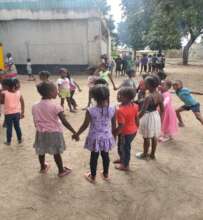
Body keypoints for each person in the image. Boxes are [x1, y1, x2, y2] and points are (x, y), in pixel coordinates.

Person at [32, 82, 77, 177]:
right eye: (55, 90)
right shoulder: (56, 106)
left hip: (41, 132)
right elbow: (64, 121)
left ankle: (43, 167)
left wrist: (39, 128)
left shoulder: (35, 105)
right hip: (54, 133)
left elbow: (35, 120)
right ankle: (61, 171)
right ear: (50, 93)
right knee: (56, 152)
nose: (58, 91)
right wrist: (74, 132)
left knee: (41, 150)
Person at [73, 85, 116, 183]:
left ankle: (92, 177)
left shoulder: (91, 110)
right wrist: (114, 136)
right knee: (106, 156)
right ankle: (105, 174)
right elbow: (114, 125)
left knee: (94, 157)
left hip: (95, 138)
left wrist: (77, 134)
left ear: (94, 98)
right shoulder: (113, 108)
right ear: (107, 96)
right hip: (106, 137)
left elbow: (85, 125)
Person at [136, 76, 164, 160]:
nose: (144, 84)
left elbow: (142, 111)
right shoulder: (159, 95)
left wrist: (135, 119)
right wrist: (160, 120)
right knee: (154, 136)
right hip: (155, 116)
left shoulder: (149, 97)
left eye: (145, 83)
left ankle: (144, 154)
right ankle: (152, 154)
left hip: (147, 117)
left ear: (149, 85)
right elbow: (162, 109)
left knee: (146, 137)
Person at [114, 87, 139, 171]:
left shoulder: (120, 110)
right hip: (132, 131)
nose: (117, 96)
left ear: (127, 98)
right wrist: (136, 127)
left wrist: (115, 133)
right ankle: (122, 159)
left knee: (125, 148)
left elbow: (121, 125)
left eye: (120, 95)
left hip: (125, 133)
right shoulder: (135, 105)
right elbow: (136, 118)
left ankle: (125, 165)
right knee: (122, 146)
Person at [0, 78, 24, 145]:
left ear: (7, 86)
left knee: (9, 127)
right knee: (17, 127)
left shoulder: (4, 93)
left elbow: (1, 101)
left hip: (8, 114)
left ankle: (8, 141)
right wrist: (22, 112)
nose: (2, 87)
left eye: (3, 85)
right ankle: (20, 139)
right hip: (17, 113)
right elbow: (22, 102)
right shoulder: (18, 92)